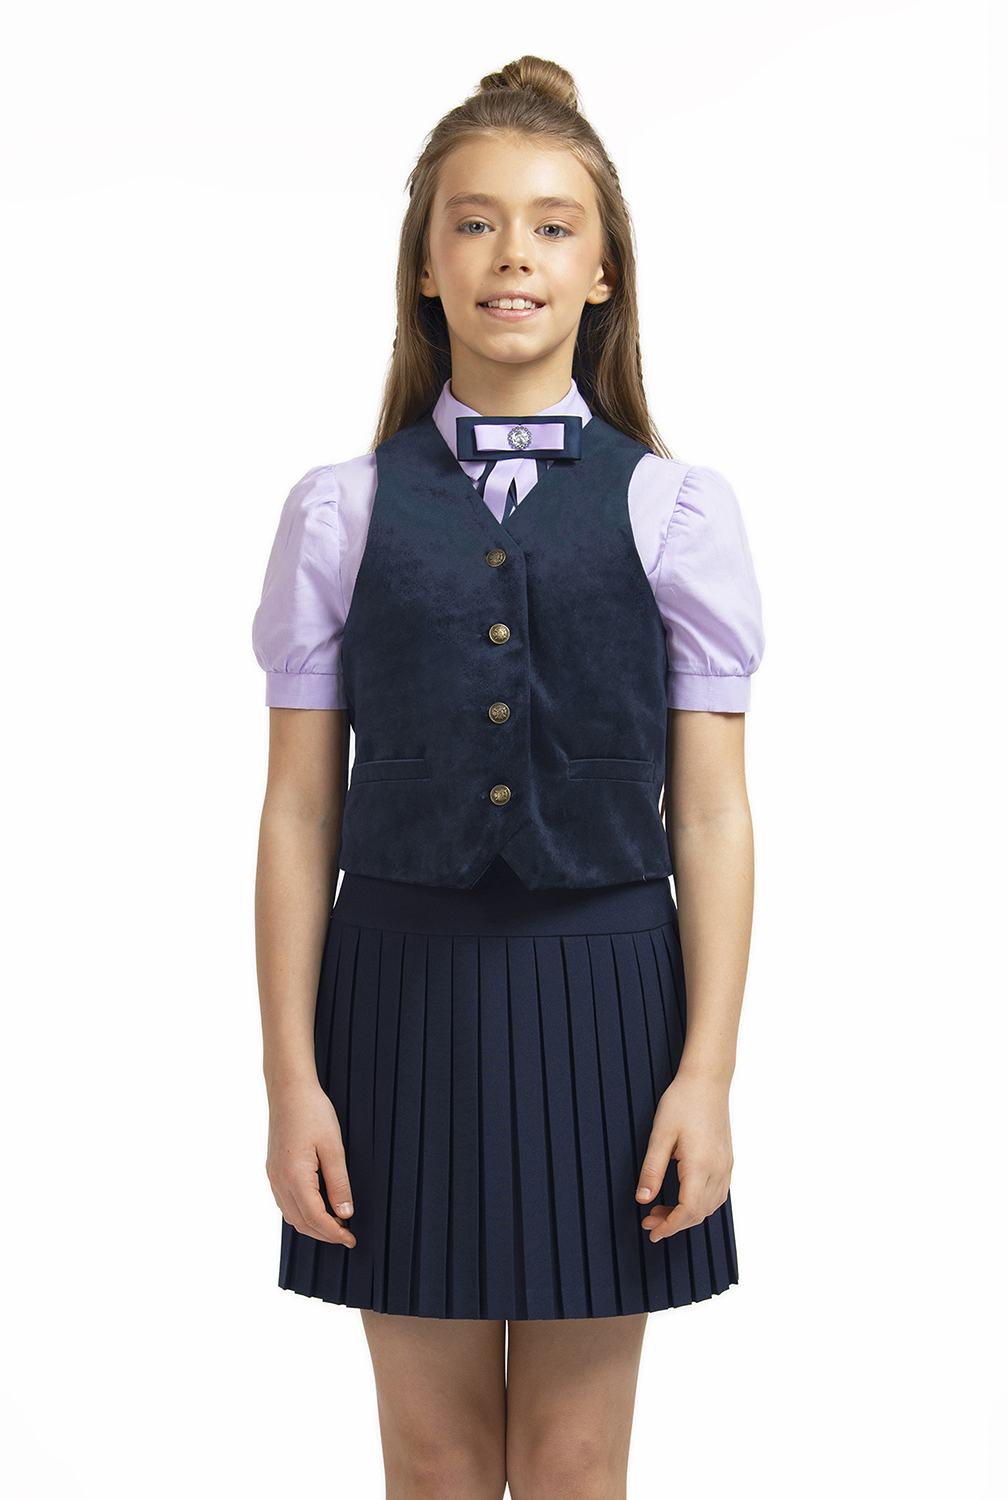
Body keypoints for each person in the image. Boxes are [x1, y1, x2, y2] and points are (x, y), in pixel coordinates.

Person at [251, 54, 764, 1500]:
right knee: (434, 1461)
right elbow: (298, 812)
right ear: (426, 267)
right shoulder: (343, 512)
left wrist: (706, 1074)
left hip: (610, 1000)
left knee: (575, 1460)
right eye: (474, 223)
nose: (513, 255)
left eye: (552, 224)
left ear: (605, 272)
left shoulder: (675, 511)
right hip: (395, 999)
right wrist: (292, 1079)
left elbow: (712, 813)